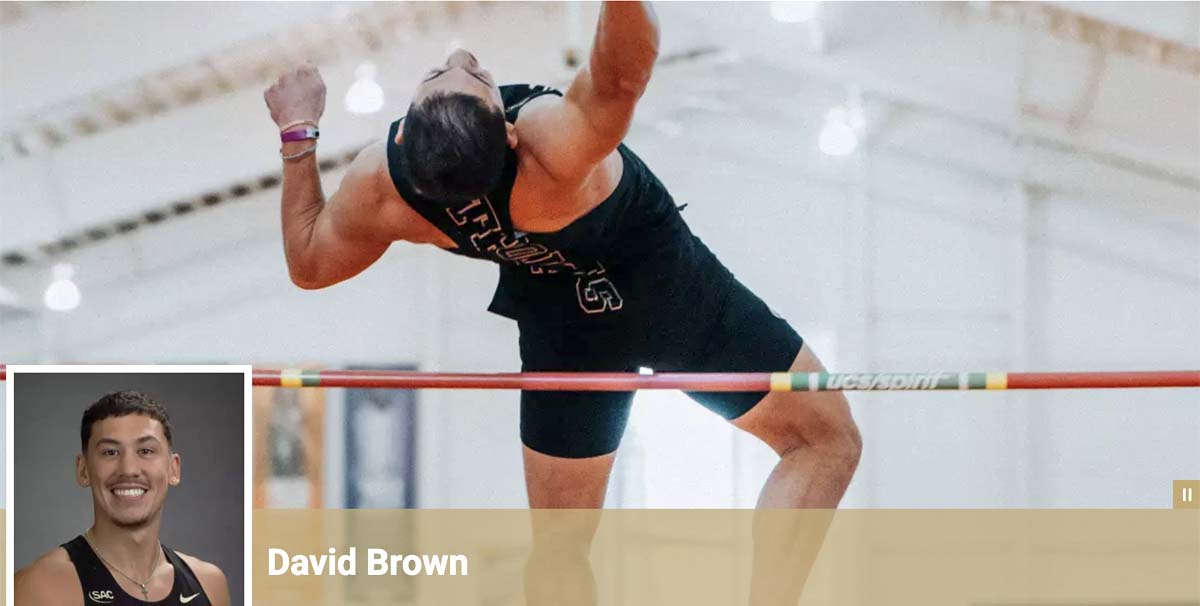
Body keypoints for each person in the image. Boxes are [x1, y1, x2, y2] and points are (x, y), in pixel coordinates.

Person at [265, 0, 860, 515]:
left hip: (576, 320)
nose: (460, 53)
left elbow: (310, 263)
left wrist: (298, 130)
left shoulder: (386, 190)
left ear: (399, 134)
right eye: (469, 73)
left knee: (560, 551)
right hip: (661, 292)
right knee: (826, 442)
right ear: (510, 132)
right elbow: (620, 77)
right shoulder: (549, 146)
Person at [14, 391, 230, 606]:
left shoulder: (209, 584)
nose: (128, 469)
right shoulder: (42, 586)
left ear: (174, 469)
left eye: (145, 451)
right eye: (110, 452)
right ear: (83, 470)